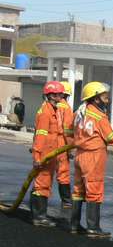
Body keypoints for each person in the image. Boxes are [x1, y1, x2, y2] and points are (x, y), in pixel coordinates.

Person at [71, 82, 113, 237]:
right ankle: (93, 228)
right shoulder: (99, 116)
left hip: (80, 154)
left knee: (78, 191)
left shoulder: (80, 113)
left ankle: (74, 225)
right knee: (94, 191)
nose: (107, 99)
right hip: (93, 156)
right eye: (104, 96)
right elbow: (111, 138)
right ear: (95, 99)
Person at [30, 81, 67, 227]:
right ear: (51, 95)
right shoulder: (45, 113)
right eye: (60, 94)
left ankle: (39, 215)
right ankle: (39, 217)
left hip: (51, 155)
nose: (62, 96)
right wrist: (37, 157)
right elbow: (40, 136)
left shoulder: (53, 110)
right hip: (44, 155)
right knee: (42, 185)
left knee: (44, 185)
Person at [56, 81, 75, 209]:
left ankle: (38, 200)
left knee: (43, 174)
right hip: (61, 145)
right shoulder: (66, 108)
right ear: (67, 95)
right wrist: (70, 149)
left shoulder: (46, 106)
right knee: (63, 174)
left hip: (47, 145)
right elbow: (67, 131)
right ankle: (67, 201)